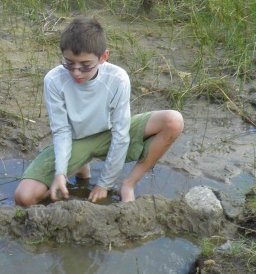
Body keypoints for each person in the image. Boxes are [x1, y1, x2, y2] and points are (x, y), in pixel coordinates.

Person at [14, 17, 183, 206]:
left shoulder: (117, 78)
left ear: (103, 57)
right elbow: (61, 130)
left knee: (173, 121)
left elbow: (120, 135)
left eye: (85, 66)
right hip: (75, 141)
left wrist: (104, 184)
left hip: (109, 133)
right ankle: (79, 167)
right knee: (24, 198)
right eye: (69, 63)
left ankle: (128, 184)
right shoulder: (54, 80)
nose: (76, 72)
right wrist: (60, 173)